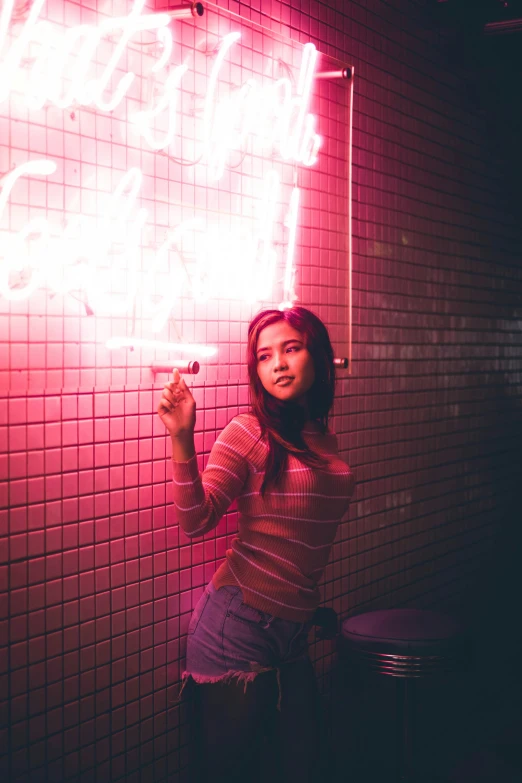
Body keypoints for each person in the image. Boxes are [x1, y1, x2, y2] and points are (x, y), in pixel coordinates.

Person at [157, 306, 355, 783]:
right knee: (232, 771)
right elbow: (195, 519)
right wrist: (182, 437)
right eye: (265, 356)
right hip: (237, 625)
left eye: (291, 349)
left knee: (304, 765)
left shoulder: (323, 440)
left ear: (321, 357)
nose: (278, 365)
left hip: (292, 632)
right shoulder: (249, 433)